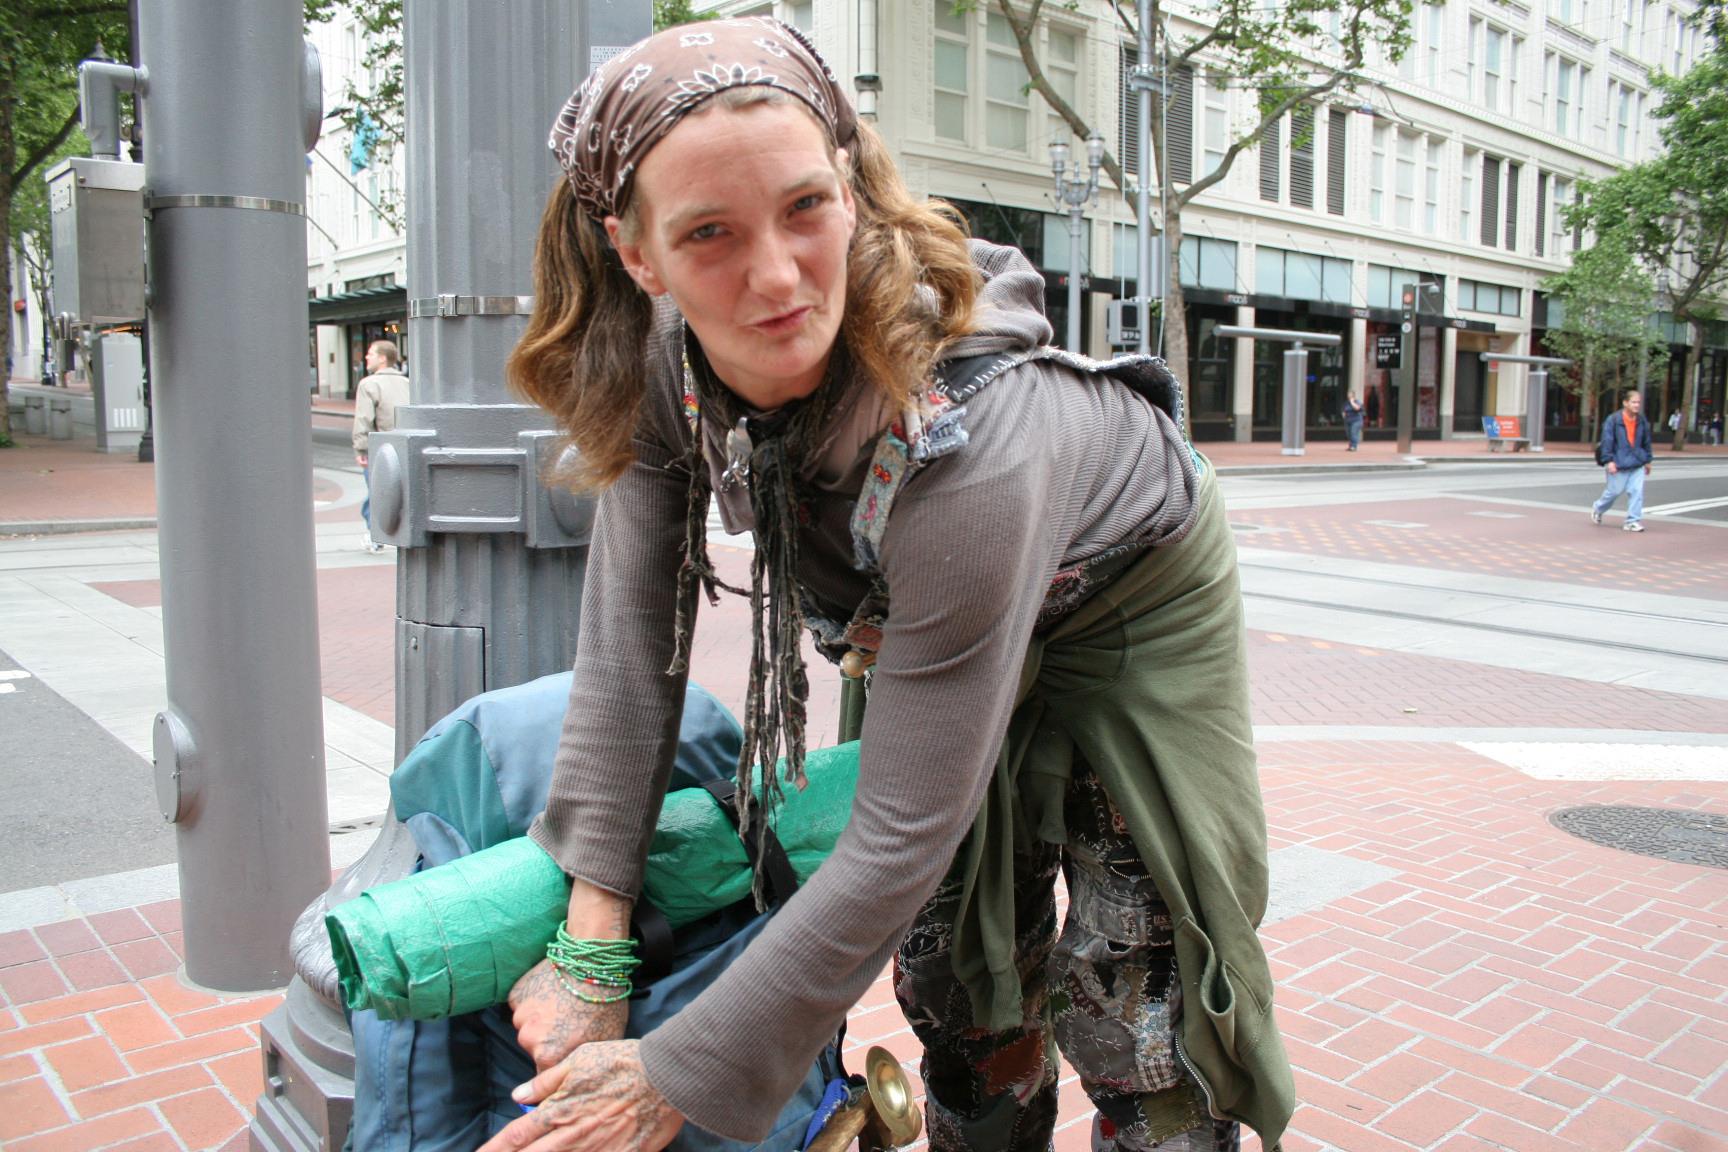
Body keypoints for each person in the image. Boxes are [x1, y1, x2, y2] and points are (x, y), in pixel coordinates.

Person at [485, 19, 1291, 1152]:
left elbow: (900, 830)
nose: (774, 278)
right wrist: (592, 942)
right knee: (958, 978)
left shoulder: (975, 436)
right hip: (922, 614)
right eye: (709, 233)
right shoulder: (665, 365)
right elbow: (632, 652)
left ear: (853, 190)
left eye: (805, 207)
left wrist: (676, 1075)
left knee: (1136, 1003)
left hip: (1128, 601)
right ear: (638, 255)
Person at [351, 340, 410, 553]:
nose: (366, 357)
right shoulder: (408, 383)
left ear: (383, 358)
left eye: (370, 354)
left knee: (376, 493)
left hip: (380, 449)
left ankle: (375, 536)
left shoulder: (368, 384)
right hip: (404, 448)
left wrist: (360, 449)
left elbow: (364, 419)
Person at [1591, 387, 1653, 532]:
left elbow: (1646, 441)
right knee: (1614, 492)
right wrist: (1609, 461)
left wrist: (1648, 460)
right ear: (1625, 403)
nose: (1637, 405)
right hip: (1618, 462)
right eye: (1633, 402)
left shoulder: (1641, 420)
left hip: (1637, 462)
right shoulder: (1613, 420)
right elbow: (1607, 441)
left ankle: (1632, 521)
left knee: (1636, 491)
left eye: (1638, 402)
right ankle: (1598, 508)